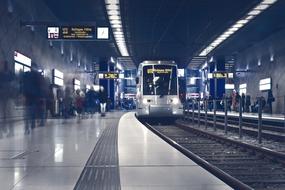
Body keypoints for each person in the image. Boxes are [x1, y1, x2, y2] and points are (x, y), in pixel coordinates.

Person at [22, 67, 44, 134]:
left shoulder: (26, 75)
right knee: (32, 111)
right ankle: (32, 124)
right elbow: (39, 86)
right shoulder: (36, 76)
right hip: (34, 96)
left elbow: (23, 84)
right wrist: (40, 96)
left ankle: (27, 126)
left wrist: (22, 93)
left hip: (27, 95)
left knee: (27, 111)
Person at [0, 61, 16, 137]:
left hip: (9, 97)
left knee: (9, 114)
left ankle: (11, 131)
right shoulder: (2, 75)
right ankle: (2, 131)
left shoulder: (11, 75)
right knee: (2, 115)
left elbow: (15, 85)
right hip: (2, 97)